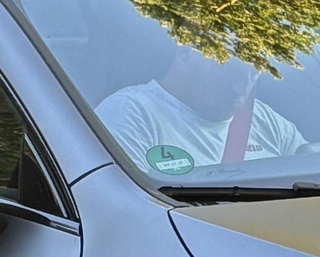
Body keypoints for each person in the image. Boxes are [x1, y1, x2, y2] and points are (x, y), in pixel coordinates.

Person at [97, 43, 306, 177]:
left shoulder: (264, 119)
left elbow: (312, 173)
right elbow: (126, 204)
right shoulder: (131, 113)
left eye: (253, 74)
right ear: (186, 53)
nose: (241, 88)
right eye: (230, 70)